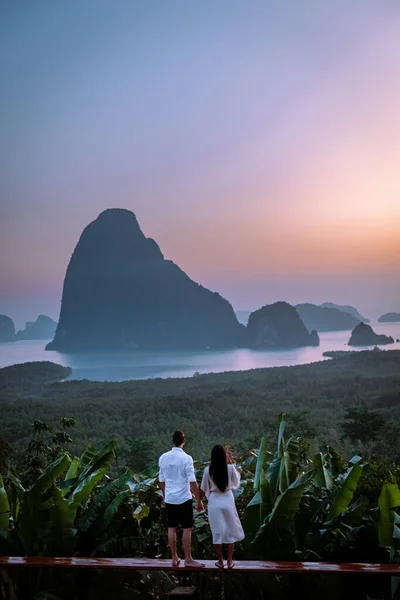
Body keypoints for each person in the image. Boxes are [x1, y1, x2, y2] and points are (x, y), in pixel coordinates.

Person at [158, 430, 205, 568]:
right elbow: (192, 480)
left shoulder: (163, 457)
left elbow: (161, 479)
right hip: (184, 498)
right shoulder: (187, 458)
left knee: (171, 528)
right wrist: (199, 500)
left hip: (170, 498)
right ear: (183, 441)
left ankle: (174, 557)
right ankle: (188, 558)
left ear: (173, 441)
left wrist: (164, 495)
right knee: (187, 528)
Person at [201, 444, 244, 569]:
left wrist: (199, 501)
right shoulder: (230, 468)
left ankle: (220, 561)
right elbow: (236, 482)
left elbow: (204, 488)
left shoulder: (207, 470)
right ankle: (230, 561)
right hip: (228, 500)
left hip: (214, 501)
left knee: (217, 533)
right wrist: (231, 463)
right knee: (231, 531)